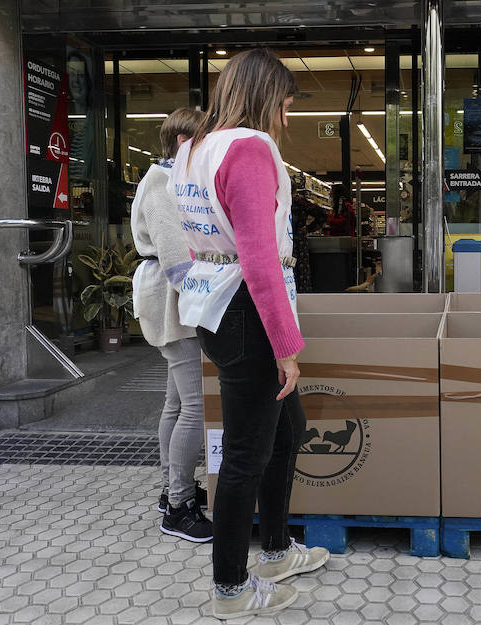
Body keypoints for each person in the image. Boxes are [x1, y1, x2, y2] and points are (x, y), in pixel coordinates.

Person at [169, 48, 328, 620]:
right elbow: (260, 259)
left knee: (288, 430)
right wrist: (287, 346)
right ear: (265, 98)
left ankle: (278, 551)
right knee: (245, 455)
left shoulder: (193, 150)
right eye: (284, 105)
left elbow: (198, 237)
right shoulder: (250, 149)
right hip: (249, 311)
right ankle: (231, 589)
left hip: (215, 304)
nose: (286, 118)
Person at [132, 108, 213, 543]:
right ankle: (179, 506)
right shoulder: (162, 182)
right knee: (194, 406)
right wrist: (205, 298)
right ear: (184, 141)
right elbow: (175, 254)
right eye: (205, 139)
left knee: (177, 403)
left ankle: (171, 491)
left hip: (171, 296)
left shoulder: (170, 178)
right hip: (174, 300)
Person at [290, 188, 328, 293]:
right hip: (299, 241)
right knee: (301, 272)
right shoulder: (301, 202)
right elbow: (322, 215)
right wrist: (309, 228)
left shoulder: (276, 201)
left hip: (282, 241)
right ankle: (303, 295)